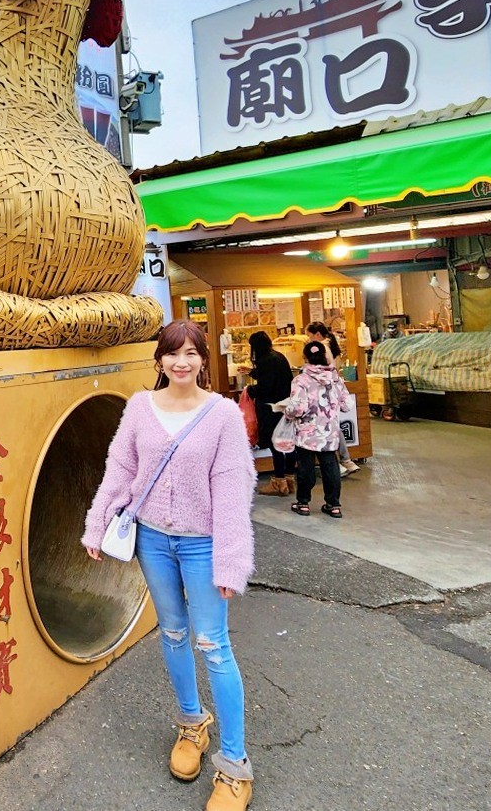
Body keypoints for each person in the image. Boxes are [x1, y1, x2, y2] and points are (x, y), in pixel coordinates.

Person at [82, 321, 256, 811]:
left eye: (191, 353)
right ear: (158, 360)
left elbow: (232, 489)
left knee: (214, 646)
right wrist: (96, 524)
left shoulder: (221, 415)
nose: (181, 362)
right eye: (171, 354)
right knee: (173, 634)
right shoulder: (140, 408)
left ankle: (235, 766)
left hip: (201, 545)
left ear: (203, 359)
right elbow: (121, 468)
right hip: (153, 541)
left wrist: (230, 562)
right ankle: (191, 722)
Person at [281, 340, 349, 518]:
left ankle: (303, 503)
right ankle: (333, 505)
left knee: (306, 468)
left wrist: (287, 413)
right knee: (330, 467)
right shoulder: (335, 378)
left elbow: (297, 407)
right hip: (329, 431)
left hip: (307, 432)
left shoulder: (301, 380)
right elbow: (346, 404)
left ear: (305, 357)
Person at [305, 322, 362, 477]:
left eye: (309, 335)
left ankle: (339, 463)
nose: (308, 339)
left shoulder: (321, 349)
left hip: (323, 393)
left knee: (327, 429)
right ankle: (345, 460)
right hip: (333, 392)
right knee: (333, 427)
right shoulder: (330, 344)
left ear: (317, 334)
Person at [244, 331, 295, 497]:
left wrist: (250, 390)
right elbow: (274, 378)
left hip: (271, 409)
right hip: (285, 406)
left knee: (276, 446)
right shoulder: (278, 356)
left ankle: (278, 483)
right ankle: (289, 480)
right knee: (287, 444)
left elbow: (265, 387)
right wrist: (252, 372)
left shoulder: (265, 360)